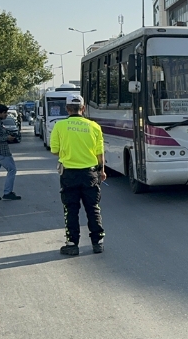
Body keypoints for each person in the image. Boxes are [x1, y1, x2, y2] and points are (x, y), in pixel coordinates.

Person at [50, 95, 106, 256]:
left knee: (71, 209)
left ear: (67, 109)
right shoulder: (94, 126)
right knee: (93, 208)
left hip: (69, 175)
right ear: (84, 108)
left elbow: (54, 150)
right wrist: (101, 171)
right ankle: (98, 242)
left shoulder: (60, 126)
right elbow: (100, 153)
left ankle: (72, 244)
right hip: (90, 174)